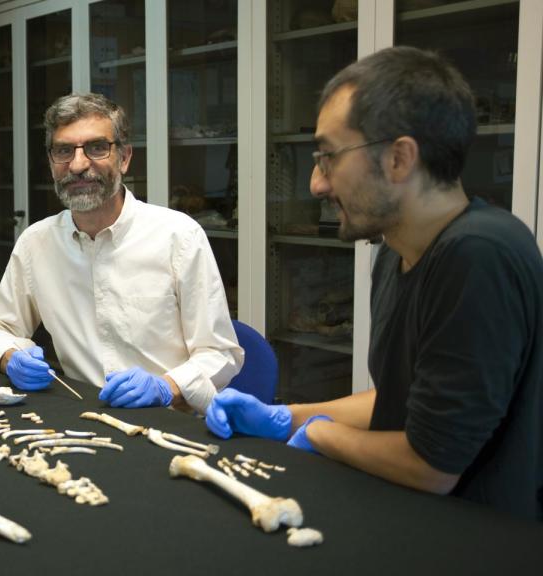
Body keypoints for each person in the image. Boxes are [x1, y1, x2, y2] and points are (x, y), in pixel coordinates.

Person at [206, 47, 542, 521]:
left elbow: (431, 466)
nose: (316, 184)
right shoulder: (395, 251)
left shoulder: (479, 254)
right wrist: (288, 415)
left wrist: (318, 432)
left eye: (328, 158)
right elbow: (405, 401)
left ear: (399, 159)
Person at [0, 93, 242, 413]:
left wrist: (166, 387)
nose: (77, 165)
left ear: (125, 157)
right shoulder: (37, 243)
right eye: (63, 151)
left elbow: (221, 354)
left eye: (97, 147)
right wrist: (9, 357)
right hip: (85, 419)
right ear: (51, 162)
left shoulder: (178, 237)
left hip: (170, 423)